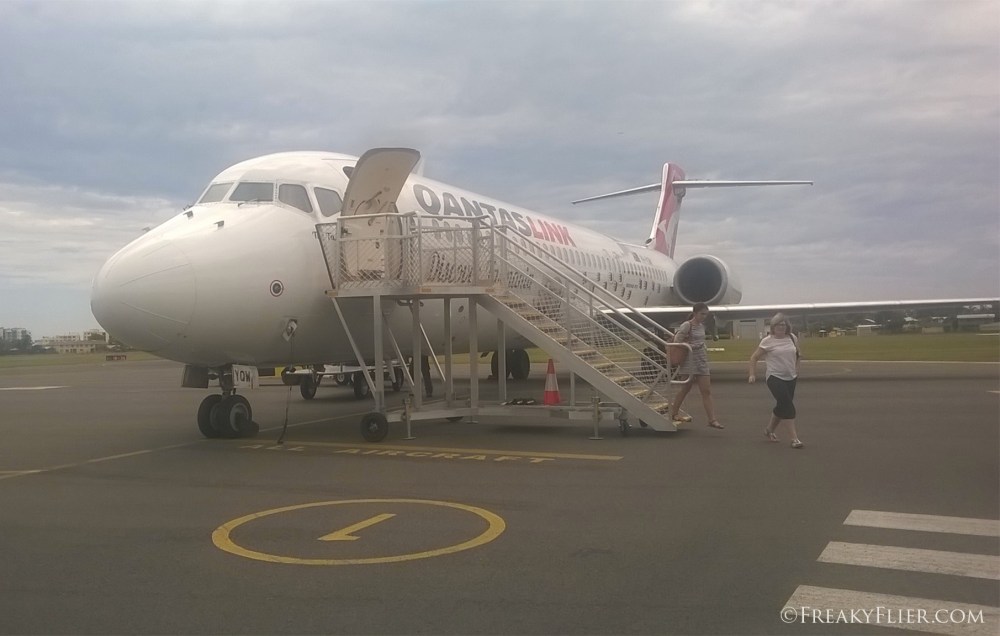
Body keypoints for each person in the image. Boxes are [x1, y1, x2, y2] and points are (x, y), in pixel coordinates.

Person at [748, 313, 803, 448]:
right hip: (775, 377)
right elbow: (754, 357)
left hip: (791, 377)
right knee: (788, 406)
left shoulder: (792, 338)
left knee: (781, 405)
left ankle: (769, 430)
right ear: (773, 326)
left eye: (784, 324)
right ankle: (794, 439)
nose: (781, 327)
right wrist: (752, 374)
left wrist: (797, 368)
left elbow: (798, 354)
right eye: (778, 324)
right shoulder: (767, 341)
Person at [668, 303, 723, 429]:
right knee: (685, 389)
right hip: (689, 360)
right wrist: (692, 346)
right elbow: (677, 342)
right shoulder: (687, 325)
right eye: (702, 314)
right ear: (695, 313)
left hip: (701, 360)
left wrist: (701, 346)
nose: (704, 316)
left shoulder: (702, 326)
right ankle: (674, 412)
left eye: (706, 314)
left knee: (706, 391)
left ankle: (712, 420)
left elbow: (701, 341)